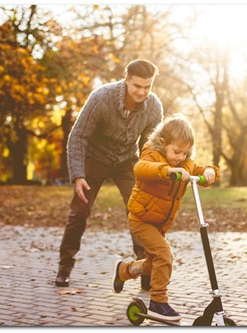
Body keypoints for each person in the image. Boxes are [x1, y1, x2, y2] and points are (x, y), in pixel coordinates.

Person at [55, 59, 163, 289]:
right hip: (94, 159)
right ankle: (64, 267)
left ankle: (146, 270)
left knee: (141, 211)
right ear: (126, 80)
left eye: (147, 87)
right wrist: (78, 175)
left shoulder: (154, 107)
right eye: (137, 86)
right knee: (80, 211)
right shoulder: (101, 98)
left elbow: (149, 147)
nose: (142, 92)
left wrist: (151, 176)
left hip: (127, 161)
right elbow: (78, 137)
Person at [111, 114, 220, 321]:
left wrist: (209, 172)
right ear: (163, 143)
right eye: (176, 152)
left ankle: (125, 270)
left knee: (154, 263)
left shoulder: (186, 164)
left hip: (160, 224)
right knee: (164, 255)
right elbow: (141, 169)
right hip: (140, 219)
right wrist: (168, 170)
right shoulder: (151, 155)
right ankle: (158, 302)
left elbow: (199, 170)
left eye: (185, 153)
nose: (180, 157)